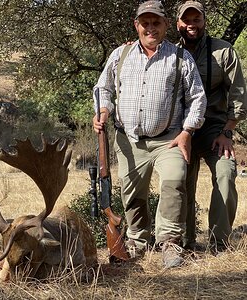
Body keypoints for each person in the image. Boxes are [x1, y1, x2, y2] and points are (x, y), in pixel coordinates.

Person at [92, 0, 207, 268]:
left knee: (174, 181)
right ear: (137, 26)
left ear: (166, 25)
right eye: (145, 23)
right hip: (129, 141)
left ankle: (169, 243)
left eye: (156, 23)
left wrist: (187, 131)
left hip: (169, 139)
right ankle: (137, 241)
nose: (150, 28)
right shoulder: (120, 55)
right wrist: (104, 111)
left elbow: (197, 99)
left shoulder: (180, 58)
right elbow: (103, 89)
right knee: (132, 194)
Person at [176, 1, 247, 254]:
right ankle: (183, 242)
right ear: (178, 24)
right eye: (187, 20)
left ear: (204, 21)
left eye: (197, 19)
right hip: (180, 130)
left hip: (214, 128)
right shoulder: (169, 53)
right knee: (180, 181)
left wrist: (228, 131)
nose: (191, 25)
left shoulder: (224, 52)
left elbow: (238, 93)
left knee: (226, 174)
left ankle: (220, 243)